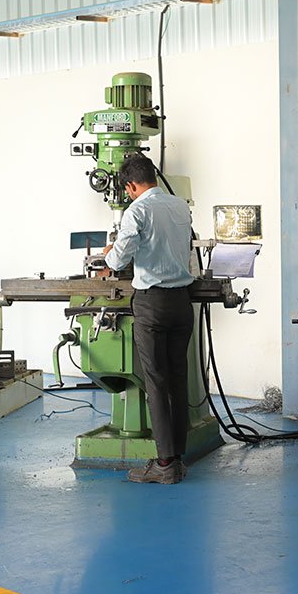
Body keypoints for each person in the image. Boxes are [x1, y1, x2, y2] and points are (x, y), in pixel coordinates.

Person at [101, 153, 195, 485]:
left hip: (152, 304)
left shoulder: (136, 211)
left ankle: (164, 464)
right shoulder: (180, 206)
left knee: (156, 382)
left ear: (130, 186)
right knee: (178, 379)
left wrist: (108, 254)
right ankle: (177, 458)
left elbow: (118, 260)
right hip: (182, 302)